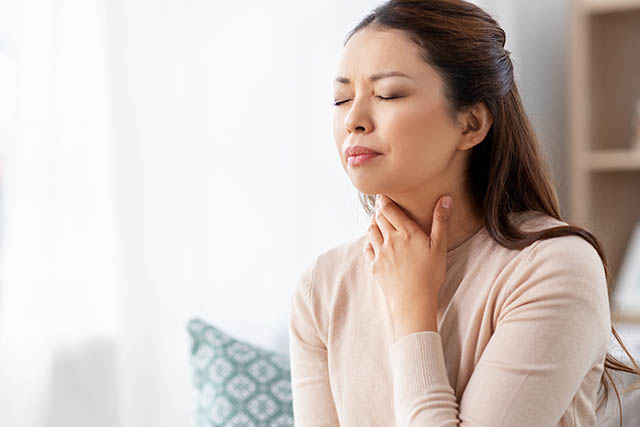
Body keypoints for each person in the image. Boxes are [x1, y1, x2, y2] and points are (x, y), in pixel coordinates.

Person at [288, 0, 640, 426]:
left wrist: (412, 304)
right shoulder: (323, 287)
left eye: (388, 94)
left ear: (471, 124)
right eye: (342, 99)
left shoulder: (554, 267)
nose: (354, 120)